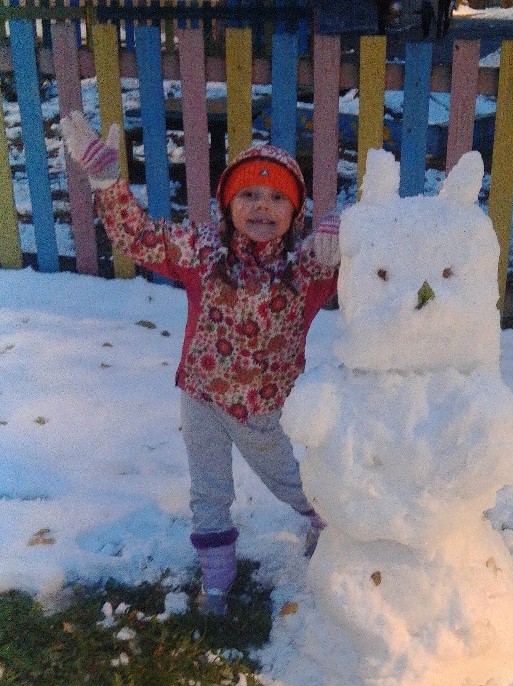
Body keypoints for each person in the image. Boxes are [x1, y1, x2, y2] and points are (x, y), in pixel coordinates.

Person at [61, 111, 340, 616]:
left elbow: (376, 266)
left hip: (260, 411)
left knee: (291, 483)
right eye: (249, 195)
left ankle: (331, 525)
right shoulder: (202, 251)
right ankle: (216, 587)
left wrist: (350, 243)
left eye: (278, 197)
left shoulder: (309, 268)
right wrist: (106, 182)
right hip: (200, 396)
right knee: (208, 490)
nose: (263, 207)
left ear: (295, 211)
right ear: (227, 203)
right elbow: (139, 239)